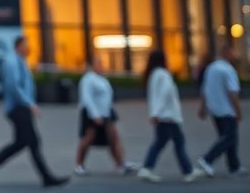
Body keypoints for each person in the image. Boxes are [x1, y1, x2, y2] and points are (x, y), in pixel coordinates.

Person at [0, 36, 69, 187]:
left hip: (22, 108)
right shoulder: (12, 62)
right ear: (18, 46)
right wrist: (29, 104)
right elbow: (13, 86)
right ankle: (46, 177)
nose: (29, 48)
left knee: (22, 143)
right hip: (18, 108)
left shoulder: (21, 62)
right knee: (32, 142)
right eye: (26, 45)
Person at [139, 50, 202, 183]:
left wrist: (154, 113)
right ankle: (187, 171)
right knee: (178, 142)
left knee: (160, 142)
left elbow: (154, 97)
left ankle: (147, 168)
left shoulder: (153, 75)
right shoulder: (163, 74)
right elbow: (164, 95)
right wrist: (156, 113)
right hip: (168, 115)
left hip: (162, 115)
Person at [74, 54, 137, 176]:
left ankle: (120, 163)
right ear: (92, 66)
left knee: (114, 137)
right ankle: (79, 165)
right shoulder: (88, 79)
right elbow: (87, 98)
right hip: (92, 114)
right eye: (98, 63)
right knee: (88, 138)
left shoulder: (102, 79)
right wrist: (94, 115)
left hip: (107, 112)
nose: (101, 66)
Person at [196, 42, 245, 177]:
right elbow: (232, 93)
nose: (235, 56)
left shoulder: (211, 68)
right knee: (229, 137)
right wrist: (238, 111)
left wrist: (203, 107)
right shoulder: (228, 70)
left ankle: (234, 166)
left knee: (226, 137)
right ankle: (207, 159)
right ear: (227, 53)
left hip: (215, 109)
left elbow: (204, 89)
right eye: (233, 53)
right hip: (227, 109)